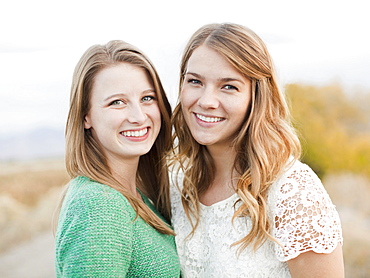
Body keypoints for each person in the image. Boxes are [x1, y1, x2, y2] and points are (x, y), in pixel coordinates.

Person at [170, 23, 344, 277]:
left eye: (229, 86)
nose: (206, 101)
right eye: (195, 81)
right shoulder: (177, 181)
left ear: (256, 96)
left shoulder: (293, 190)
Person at [54, 40, 180, 277]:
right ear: (86, 117)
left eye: (147, 98)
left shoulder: (133, 196)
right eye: (117, 102)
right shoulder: (99, 205)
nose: (138, 116)